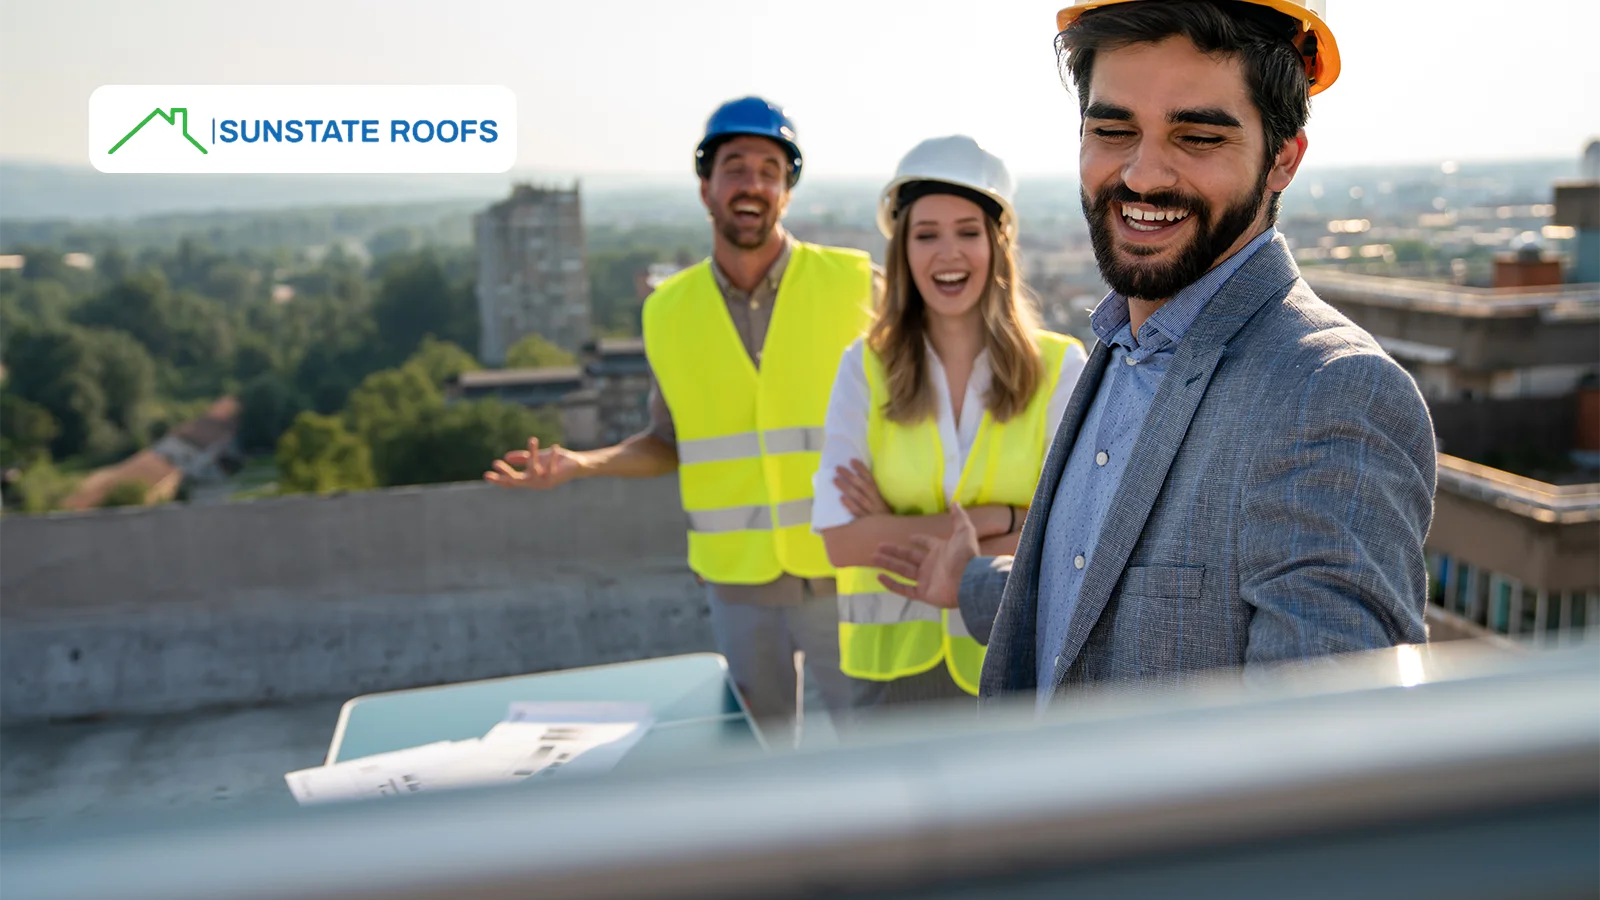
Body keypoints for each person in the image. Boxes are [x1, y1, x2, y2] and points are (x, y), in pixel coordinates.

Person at [871, 0, 1436, 706]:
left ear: (1282, 160)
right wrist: (972, 583)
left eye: (1197, 136)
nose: (1142, 176)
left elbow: (1323, 764)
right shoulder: (1121, 347)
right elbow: (1108, 583)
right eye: (1113, 129)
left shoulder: (1330, 392)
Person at [485, 97, 877, 741]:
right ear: (706, 187)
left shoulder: (854, 282)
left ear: (787, 189)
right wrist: (583, 464)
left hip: (845, 566)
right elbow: (670, 442)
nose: (752, 183)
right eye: (735, 167)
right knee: (758, 758)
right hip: (737, 581)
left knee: (864, 749)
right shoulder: (668, 311)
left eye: (769, 170)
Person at [812, 136, 1086, 707]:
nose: (948, 254)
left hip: (1012, 661)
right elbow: (841, 540)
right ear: (903, 252)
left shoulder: (1060, 367)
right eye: (926, 234)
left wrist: (889, 525)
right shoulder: (864, 368)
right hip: (890, 680)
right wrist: (1004, 518)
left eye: (967, 231)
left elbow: (1075, 535)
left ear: (997, 243)